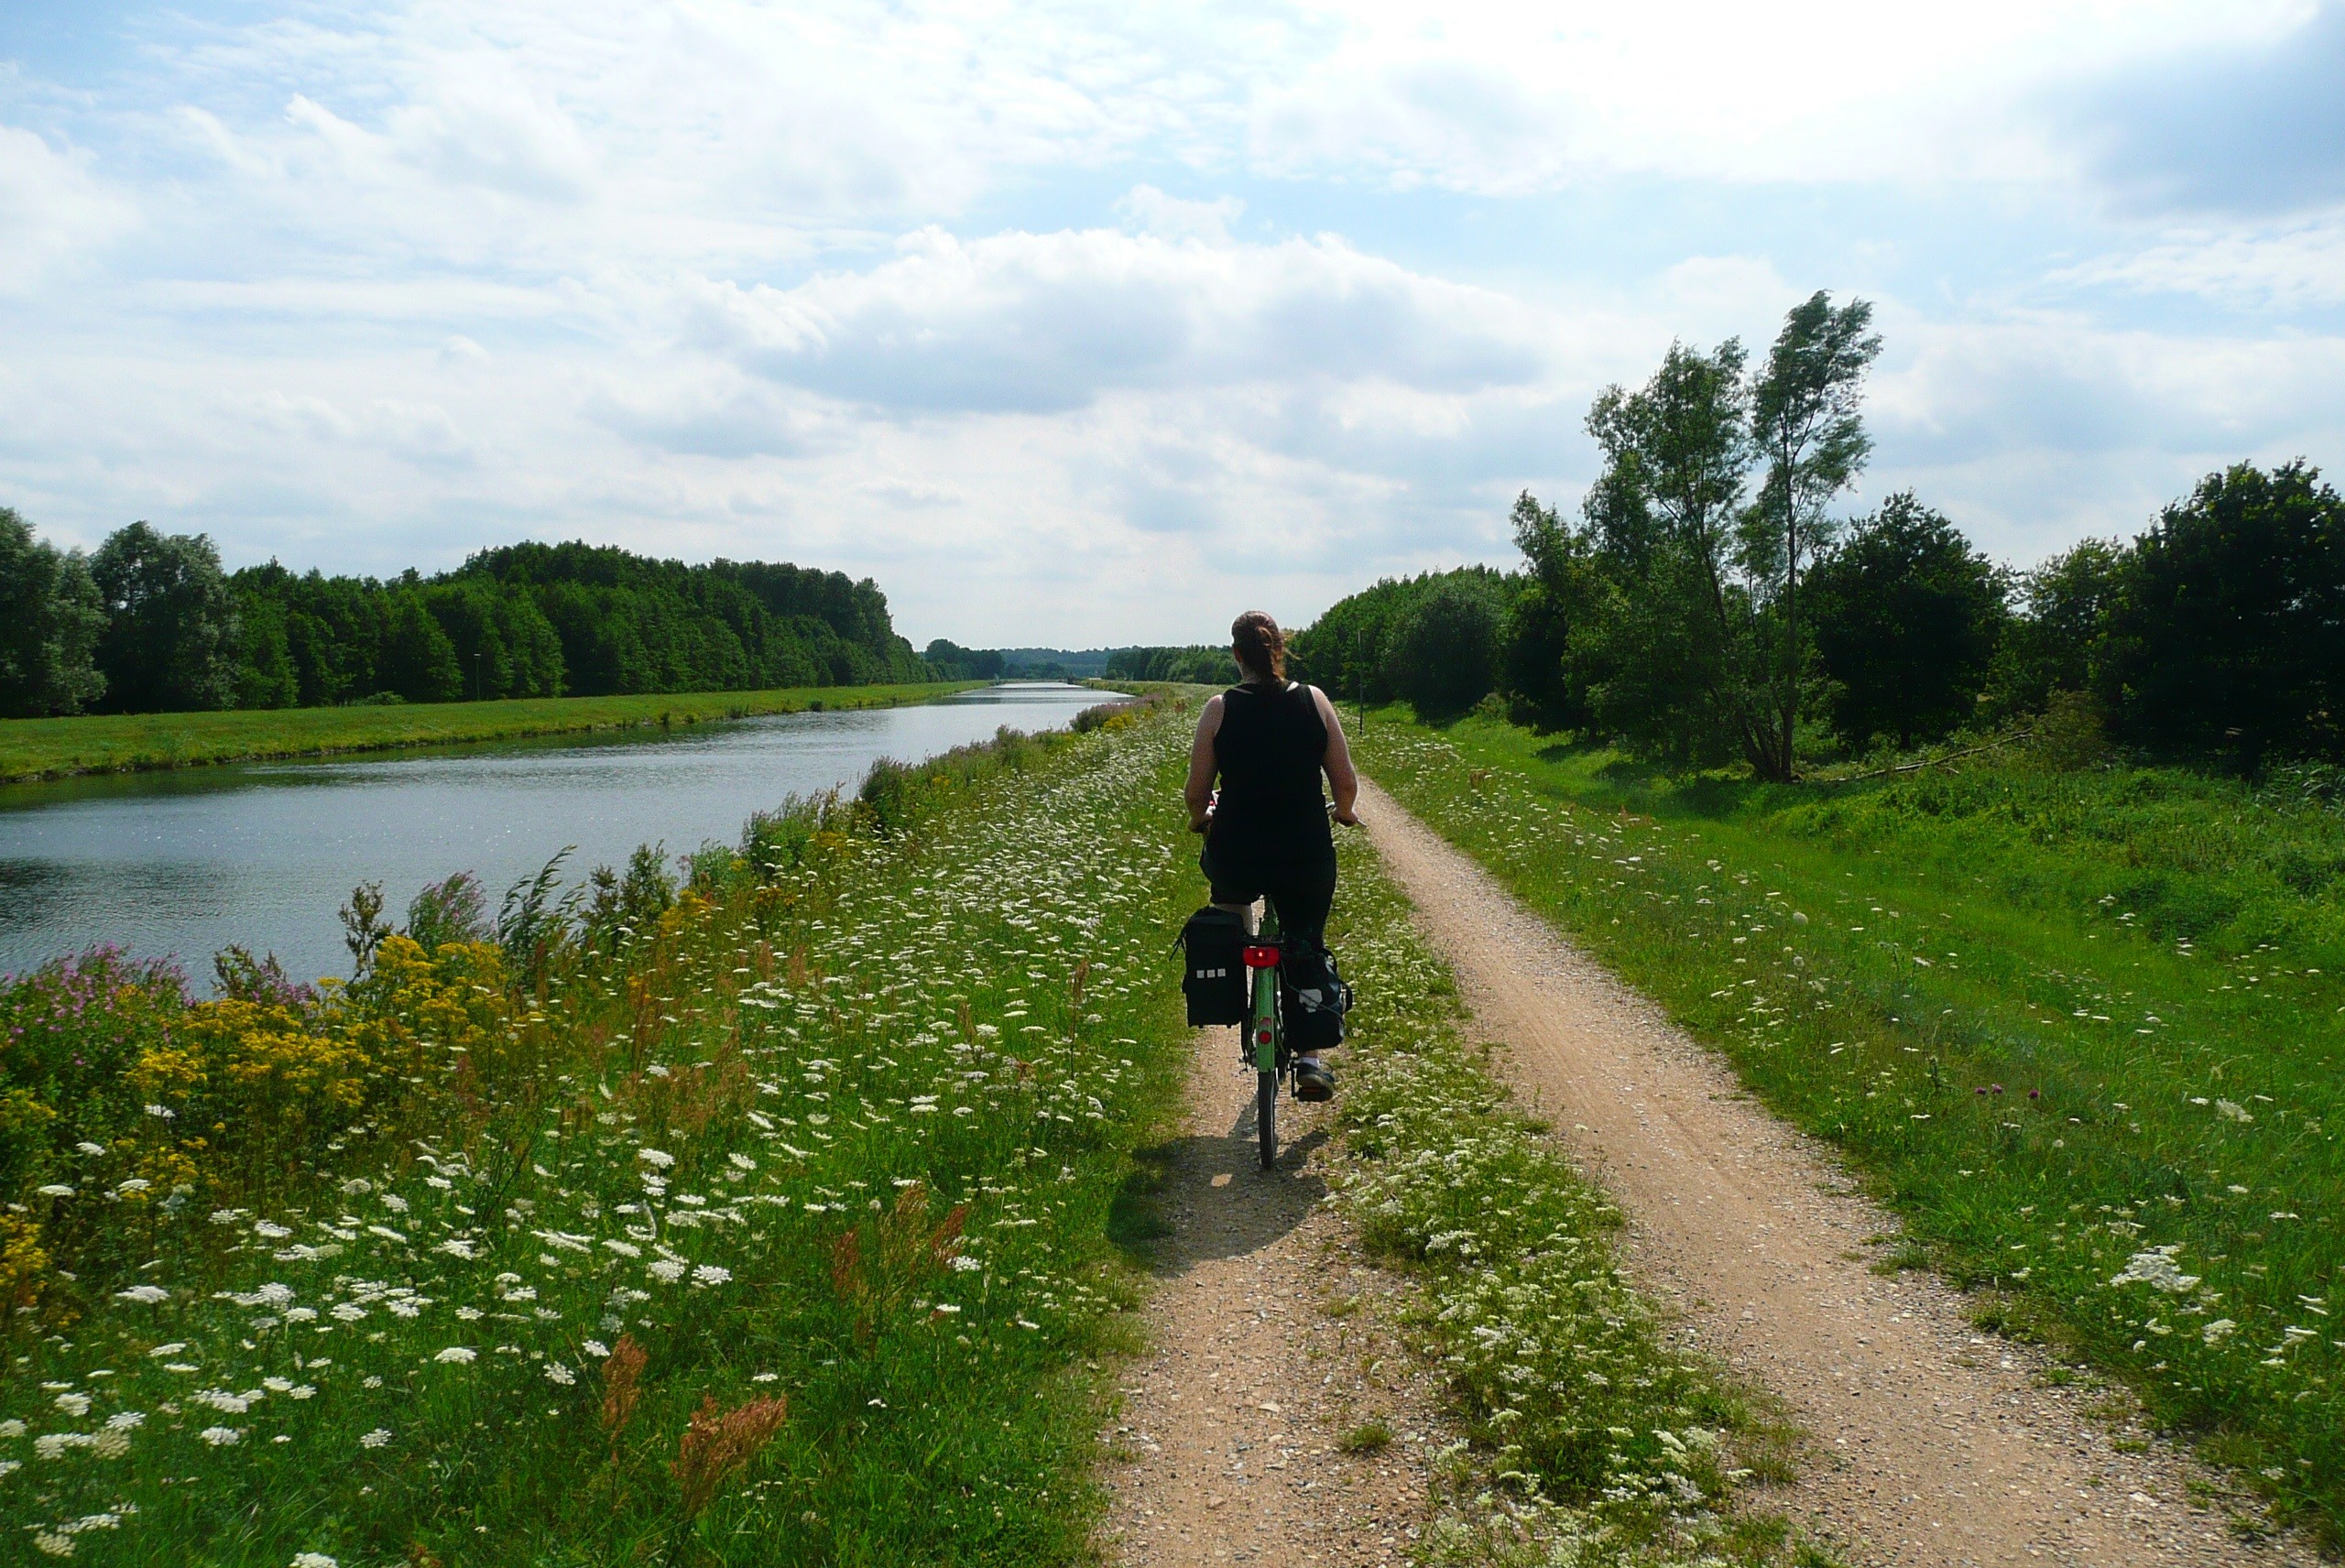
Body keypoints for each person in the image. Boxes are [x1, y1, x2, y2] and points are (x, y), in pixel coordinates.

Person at [1184, 609, 1359, 1101]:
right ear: (1279, 650)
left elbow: (1197, 791)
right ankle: (1310, 1058)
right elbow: (1343, 782)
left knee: (1232, 912)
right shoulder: (1313, 701)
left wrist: (1200, 820)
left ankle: (1239, 980)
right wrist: (1343, 812)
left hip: (1237, 854)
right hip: (1304, 855)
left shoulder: (1219, 709)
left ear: (1237, 655)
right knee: (1305, 939)